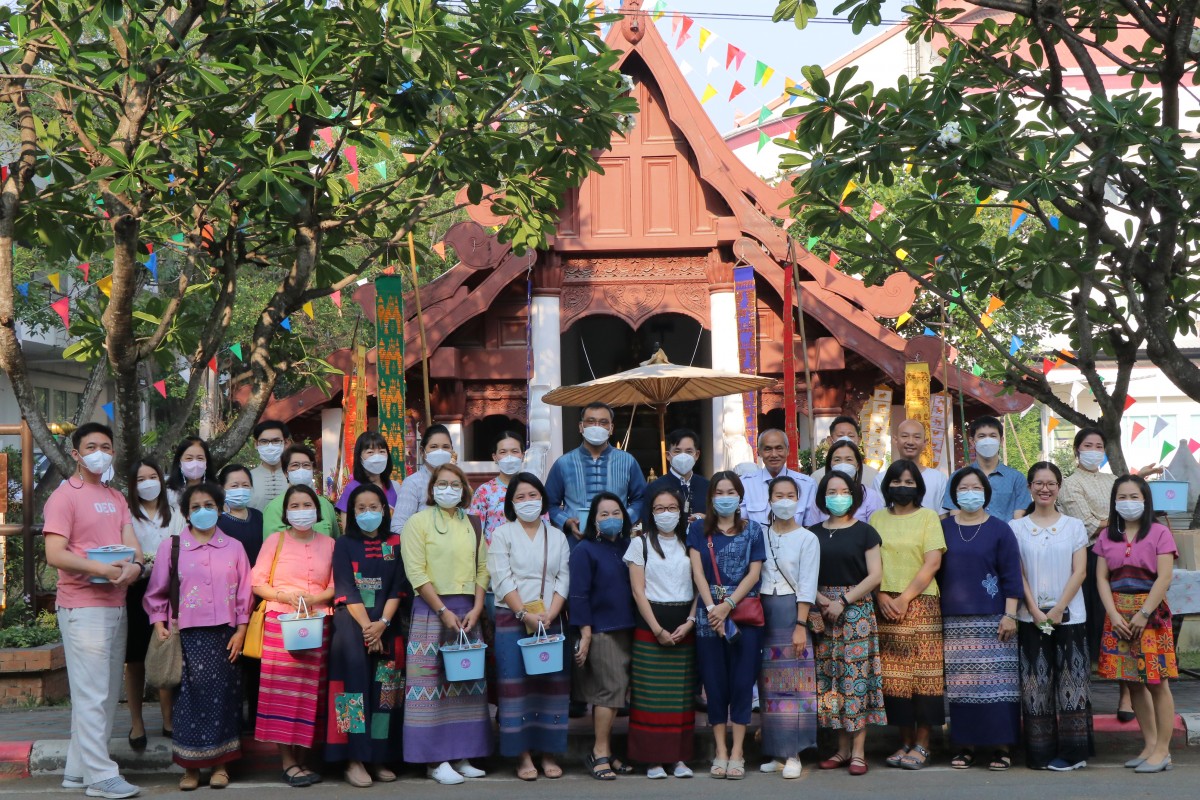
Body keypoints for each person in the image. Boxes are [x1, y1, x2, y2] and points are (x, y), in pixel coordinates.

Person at [43, 422, 144, 800]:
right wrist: (102, 569)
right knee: (91, 694)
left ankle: (77, 770)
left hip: (115, 603)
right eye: (91, 446)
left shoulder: (115, 497)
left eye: (106, 446)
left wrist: (135, 567)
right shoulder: (64, 496)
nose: (99, 452)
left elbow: (131, 544)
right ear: (76, 454)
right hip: (81, 606)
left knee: (102, 692)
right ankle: (101, 776)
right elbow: (55, 554)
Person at [143, 482, 252, 791]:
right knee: (187, 702)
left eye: (209, 505)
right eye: (195, 507)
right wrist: (158, 623)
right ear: (186, 512)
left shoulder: (234, 548)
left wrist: (242, 630)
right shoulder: (172, 547)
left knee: (225, 701)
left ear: (220, 509)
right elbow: (157, 592)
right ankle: (190, 768)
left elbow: (245, 592)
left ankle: (221, 766)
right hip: (185, 635)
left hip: (226, 636)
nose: (203, 511)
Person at [1058, 427, 1161, 720]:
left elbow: (1127, 505)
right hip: (1090, 559)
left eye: (1099, 445)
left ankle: (1126, 697)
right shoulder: (1069, 484)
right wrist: (1115, 520)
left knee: (1124, 625)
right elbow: (1087, 523)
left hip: (1123, 557)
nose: (1094, 450)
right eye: (1088, 445)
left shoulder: (1113, 480)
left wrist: (1136, 481)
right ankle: (1083, 693)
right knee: (1091, 627)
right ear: (1076, 450)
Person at [401, 463, 492, 785]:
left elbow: (483, 567)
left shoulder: (473, 523)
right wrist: (442, 611)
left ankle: (462, 754)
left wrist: (478, 607)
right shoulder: (417, 522)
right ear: (432, 488)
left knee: (466, 684)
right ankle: (434, 760)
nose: (448, 489)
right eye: (442, 483)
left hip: (467, 611)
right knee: (429, 686)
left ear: (464, 490)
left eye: (455, 484)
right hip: (431, 610)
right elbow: (416, 571)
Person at [1009, 462, 1093, 771]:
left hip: (1070, 617)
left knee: (1072, 684)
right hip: (1031, 617)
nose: (1045, 488)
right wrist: (1032, 610)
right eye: (1038, 483)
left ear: (1059, 487)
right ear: (1030, 487)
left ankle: (1073, 753)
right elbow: (1017, 573)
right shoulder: (1015, 528)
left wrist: (1058, 609)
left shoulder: (1073, 526)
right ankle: (1040, 752)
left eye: (1051, 483)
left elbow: (1080, 571)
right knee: (1035, 685)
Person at [487, 473, 571, 781]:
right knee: (515, 686)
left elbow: (563, 577)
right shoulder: (502, 534)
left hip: (550, 617)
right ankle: (522, 755)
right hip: (513, 618)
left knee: (551, 685)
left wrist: (551, 612)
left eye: (533, 495)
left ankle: (548, 751)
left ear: (543, 499)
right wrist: (524, 613)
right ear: (510, 503)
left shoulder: (557, 536)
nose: (528, 502)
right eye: (520, 497)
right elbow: (501, 578)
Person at [938, 468, 1022, 771]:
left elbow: (1012, 575)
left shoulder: (1001, 529)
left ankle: (1001, 747)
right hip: (955, 622)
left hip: (995, 621)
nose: (969, 492)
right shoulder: (943, 528)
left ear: (985, 492)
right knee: (963, 688)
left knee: (997, 686)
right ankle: (966, 746)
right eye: (963, 487)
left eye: (975, 487)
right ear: (954, 493)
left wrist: (1010, 615)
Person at [253, 484, 336, 788]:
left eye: (307, 505)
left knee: (312, 695)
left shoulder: (329, 543)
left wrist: (316, 599)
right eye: (295, 506)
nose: (302, 511)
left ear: (318, 509)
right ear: (286, 512)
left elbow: (336, 585)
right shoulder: (274, 541)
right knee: (282, 697)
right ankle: (288, 763)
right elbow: (257, 583)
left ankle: (304, 759)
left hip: (318, 624)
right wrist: (284, 595)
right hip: (281, 625)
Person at [1094, 475, 1178, 773]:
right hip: (1117, 614)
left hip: (1150, 615)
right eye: (1122, 497)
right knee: (1131, 681)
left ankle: (1164, 751)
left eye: (1134, 497)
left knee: (1156, 682)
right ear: (1114, 501)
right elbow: (1102, 578)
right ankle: (1150, 745)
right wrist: (1114, 615)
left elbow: (1164, 577)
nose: (1127, 502)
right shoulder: (1107, 535)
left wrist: (1143, 613)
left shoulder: (1159, 532)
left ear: (1146, 500)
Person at [688, 471, 766, 781]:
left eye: (730, 491)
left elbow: (753, 573)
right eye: (719, 491)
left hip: (744, 615)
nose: (724, 496)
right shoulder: (697, 529)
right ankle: (720, 750)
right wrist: (711, 610)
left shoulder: (753, 530)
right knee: (715, 684)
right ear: (710, 498)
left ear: (740, 495)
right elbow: (697, 572)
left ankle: (738, 751)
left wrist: (727, 605)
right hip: (710, 619)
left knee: (742, 683)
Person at [326, 484, 406, 788]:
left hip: (388, 627)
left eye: (375, 507)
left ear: (384, 510)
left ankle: (379, 756)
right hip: (352, 630)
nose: (368, 513)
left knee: (386, 692)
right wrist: (368, 628)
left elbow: (400, 585)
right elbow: (345, 588)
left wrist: (383, 623)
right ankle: (354, 758)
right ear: (351, 512)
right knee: (352, 693)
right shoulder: (344, 544)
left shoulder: (395, 543)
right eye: (361, 508)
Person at [870, 459, 945, 770]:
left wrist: (904, 598)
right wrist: (881, 595)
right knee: (895, 680)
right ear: (887, 485)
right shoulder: (876, 519)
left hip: (921, 604)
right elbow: (869, 565)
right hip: (885, 605)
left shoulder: (928, 518)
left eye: (909, 482)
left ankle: (924, 744)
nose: (903, 487)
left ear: (919, 487)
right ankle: (904, 741)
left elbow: (932, 563)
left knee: (926, 678)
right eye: (897, 481)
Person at [810, 472, 884, 777]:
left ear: (853, 495)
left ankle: (858, 752)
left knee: (856, 677)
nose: (837, 496)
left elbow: (875, 575)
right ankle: (840, 750)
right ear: (822, 496)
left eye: (843, 490)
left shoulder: (865, 532)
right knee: (830, 680)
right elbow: (804, 573)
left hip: (856, 612)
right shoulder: (811, 533)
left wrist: (843, 601)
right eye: (831, 491)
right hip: (822, 612)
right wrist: (819, 599)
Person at [624, 488, 697, 780]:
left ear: (681, 511)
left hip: (684, 625)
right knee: (649, 696)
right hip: (650, 626)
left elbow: (699, 583)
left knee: (681, 697)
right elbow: (637, 591)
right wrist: (656, 628)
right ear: (651, 513)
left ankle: (679, 758)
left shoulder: (690, 542)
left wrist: (691, 620)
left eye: (671, 508)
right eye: (659, 508)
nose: (666, 513)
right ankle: (652, 759)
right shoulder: (639, 544)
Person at [756, 476, 820, 779]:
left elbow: (807, 584)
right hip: (763, 610)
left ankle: (794, 752)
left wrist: (800, 624)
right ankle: (775, 751)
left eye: (789, 495)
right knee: (769, 685)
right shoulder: (760, 534)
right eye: (778, 495)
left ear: (798, 499)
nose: (783, 500)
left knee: (794, 683)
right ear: (769, 499)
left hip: (792, 610)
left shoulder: (808, 538)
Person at [571, 492, 637, 780]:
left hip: (630, 628)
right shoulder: (584, 550)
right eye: (604, 514)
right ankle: (599, 752)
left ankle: (608, 752)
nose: (611, 519)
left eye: (616, 513)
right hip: (602, 631)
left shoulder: (630, 546)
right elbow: (579, 595)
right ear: (594, 521)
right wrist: (585, 633)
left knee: (617, 695)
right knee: (608, 693)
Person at [123, 459, 183, 749]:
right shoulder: (127, 515)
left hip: (171, 590)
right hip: (136, 589)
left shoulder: (175, 509)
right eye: (141, 479)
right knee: (134, 660)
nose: (148, 483)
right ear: (133, 486)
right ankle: (136, 723)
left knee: (166, 649)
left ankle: (168, 719)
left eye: (153, 476)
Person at [545, 402, 647, 549]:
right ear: (581, 427)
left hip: (618, 543)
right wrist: (567, 522)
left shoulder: (628, 461)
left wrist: (624, 519)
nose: (597, 426)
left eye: (603, 422)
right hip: (575, 544)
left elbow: (641, 499)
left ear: (611, 428)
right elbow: (548, 503)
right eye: (591, 422)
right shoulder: (563, 463)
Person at [943, 416, 1030, 522]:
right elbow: (955, 517)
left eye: (993, 436)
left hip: (1006, 537)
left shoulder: (1017, 478)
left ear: (1001, 441)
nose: (987, 440)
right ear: (972, 441)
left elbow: (1020, 518)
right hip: (970, 537)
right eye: (982, 436)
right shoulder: (958, 477)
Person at [741, 429, 815, 529]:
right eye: (768, 449)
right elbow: (741, 524)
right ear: (759, 451)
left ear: (788, 450)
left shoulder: (807, 485)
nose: (774, 454)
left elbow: (811, 526)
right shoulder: (745, 484)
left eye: (779, 448)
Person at [263, 445, 340, 538]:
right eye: (295, 465)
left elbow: (335, 543)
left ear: (313, 470)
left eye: (306, 465)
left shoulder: (326, 505)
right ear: (286, 472)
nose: (301, 469)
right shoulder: (274, 508)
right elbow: (272, 547)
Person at [392, 424, 456, 535]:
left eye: (445, 447)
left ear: (452, 451)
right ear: (422, 451)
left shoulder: (459, 483)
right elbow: (398, 527)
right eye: (434, 446)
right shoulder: (413, 483)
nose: (440, 451)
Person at [874, 419, 948, 512]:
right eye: (905, 436)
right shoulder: (881, 479)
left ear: (925, 442)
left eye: (917, 437)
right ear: (895, 440)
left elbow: (943, 518)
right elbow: (879, 516)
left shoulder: (939, 479)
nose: (910, 442)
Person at [641, 428, 710, 526]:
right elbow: (648, 525)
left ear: (697, 455)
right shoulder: (655, 488)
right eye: (677, 451)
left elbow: (717, 522)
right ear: (668, 455)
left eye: (689, 451)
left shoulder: (708, 487)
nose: (683, 456)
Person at [470, 431, 529, 544]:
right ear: (495, 457)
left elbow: (544, 526)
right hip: (494, 557)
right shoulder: (484, 491)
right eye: (503, 452)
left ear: (523, 455)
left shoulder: (532, 490)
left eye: (515, 451)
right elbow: (475, 531)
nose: (509, 457)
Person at [335, 432, 403, 528]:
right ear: (359, 457)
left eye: (382, 451)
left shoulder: (395, 487)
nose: (377, 457)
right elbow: (347, 529)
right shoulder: (352, 489)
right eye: (370, 452)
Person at [807, 440, 884, 525]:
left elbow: (876, 529)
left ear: (858, 465)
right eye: (837, 460)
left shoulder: (870, 496)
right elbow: (814, 529)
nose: (843, 464)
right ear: (830, 464)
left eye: (849, 459)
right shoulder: (821, 496)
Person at [217, 464, 264, 567]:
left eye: (245, 485)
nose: (241, 490)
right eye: (234, 486)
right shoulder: (216, 520)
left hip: (258, 578)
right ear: (221, 489)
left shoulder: (258, 516)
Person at [813, 416, 879, 487]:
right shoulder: (817, 477)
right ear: (830, 440)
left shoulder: (873, 475)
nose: (845, 439)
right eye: (840, 435)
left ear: (859, 440)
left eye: (851, 435)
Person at [249, 420, 293, 511]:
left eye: (276, 441)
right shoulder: (247, 478)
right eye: (264, 441)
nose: (270, 446)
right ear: (256, 444)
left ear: (286, 443)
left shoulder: (297, 476)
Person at [165, 436, 217, 510]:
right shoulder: (169, 494)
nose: (195, 463)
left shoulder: (217, 491)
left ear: (206, 462)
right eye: (189, 458)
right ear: (179, 463)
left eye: (200, 458)